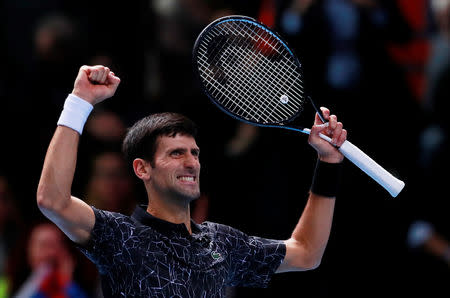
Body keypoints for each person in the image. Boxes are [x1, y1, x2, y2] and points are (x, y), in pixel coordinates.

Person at [36, 65, 347, 297]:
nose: (191, 162)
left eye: (194, 153)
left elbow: (306, 252)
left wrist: (328, 163)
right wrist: (80, 102)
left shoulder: (222, 243)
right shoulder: (119, 237)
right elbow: (52, 201)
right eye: (175, 154)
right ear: (143, 169)